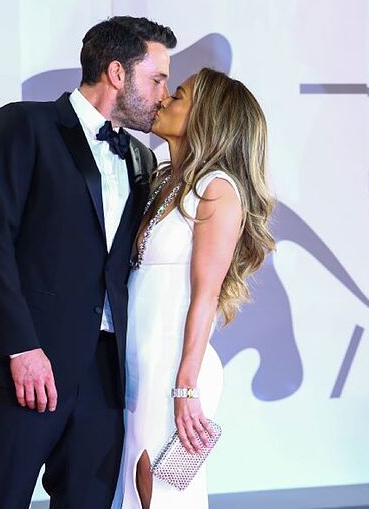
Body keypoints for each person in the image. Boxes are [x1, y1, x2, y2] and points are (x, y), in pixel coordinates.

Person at [0, 16, 176, 508]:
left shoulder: (141, 160)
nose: (165, 93)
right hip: (26, 365)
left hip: (104, 376)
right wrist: (20, 348)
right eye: (157, 78)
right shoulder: (22, 125)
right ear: (117, 73)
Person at [118, 68, 275, 508]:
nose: (164, 99)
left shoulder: (217, 190)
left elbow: (206, 293)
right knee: (133, 484)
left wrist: (185, 387)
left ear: (206, 117)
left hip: (175, 367)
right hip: (141, 361)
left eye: (180, 96)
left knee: (158, 490)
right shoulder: (164, 182)